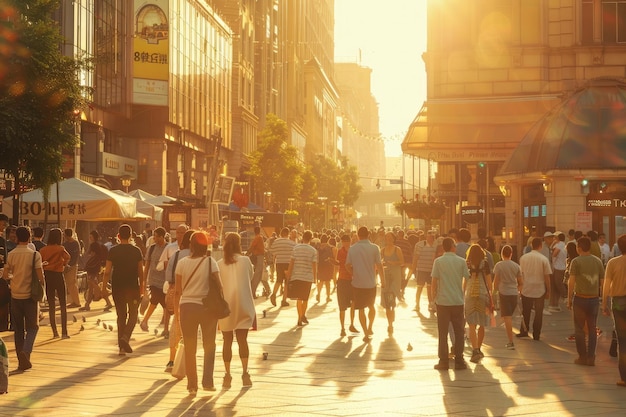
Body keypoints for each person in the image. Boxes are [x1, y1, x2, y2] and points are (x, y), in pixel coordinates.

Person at [175, 231, 220, 395]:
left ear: (191, 246)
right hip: (208, 309)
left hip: (187, 307)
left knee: (190, 347)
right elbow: (219, 287)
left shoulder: (182, 263)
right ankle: (207, 382)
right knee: (209, 345)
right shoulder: (211, 262)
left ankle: (192, 385)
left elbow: (178, 291)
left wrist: (176, 314)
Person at [217, 233, 256, 388]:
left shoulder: (219, 263)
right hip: (243, 304)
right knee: (242, 340)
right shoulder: (246, 260)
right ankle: (245, 373)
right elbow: (250, 277)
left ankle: (227, 375)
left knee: (227, 341)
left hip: (226, 307)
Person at [4, 226, 45, 370]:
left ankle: (21, 360)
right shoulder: (35, 255)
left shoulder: (11, 254)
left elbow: (5, 276)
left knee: (18, 329)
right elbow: (40, 277)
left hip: (15, 295)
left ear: (16, 238)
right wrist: (42, 293)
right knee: (33, 327)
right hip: (30, 297)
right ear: (29, 238)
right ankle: (25, 352)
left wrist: (13, 278)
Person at [102, 224, 144, 355]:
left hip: (117, 286)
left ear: (118, 236)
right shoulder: (136, 251)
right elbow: (141, 272)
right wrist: (142, 288)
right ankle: (125, 337)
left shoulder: (113, 251)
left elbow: (107, 271)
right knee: (133, 314)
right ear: (131, 236)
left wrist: (103, 287)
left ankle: (121, 348)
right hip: (132, 286)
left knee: (121, 315)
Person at [431, 237, 470, 370]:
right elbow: (467, 278)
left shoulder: (438, 261)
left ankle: (443, 361)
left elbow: (434, 280)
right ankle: (459, 360)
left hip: (442, 301)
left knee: (443, 332)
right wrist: (462, 291)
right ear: (453, 246)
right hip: (457, 301)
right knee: (459, 331)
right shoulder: (461, 261)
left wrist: (433, 297)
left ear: (443, 247)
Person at [568, 236, 604, 366]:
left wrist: (569, 299)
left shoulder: (576, 262)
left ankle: (582, 357)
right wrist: (603, 300)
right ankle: (591, 357)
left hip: (579, 299)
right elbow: (602, 282)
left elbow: (571, 281)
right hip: (594, 299)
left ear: (579, 248)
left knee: (579, 329)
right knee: (592, 328)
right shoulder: (598, 261)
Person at [345, 227, 385, 343]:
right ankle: (370, 327)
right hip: (371, 283)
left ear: (358, 235)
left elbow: (347, 265)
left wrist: (354, 273)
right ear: (368, 235)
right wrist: (383, 280)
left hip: (357, 283)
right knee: (371, 306)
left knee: (360, 308)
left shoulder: (352, 249)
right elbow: (380, 265)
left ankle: (365, 332)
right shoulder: (375, 248)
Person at [163, 229, 193, 372]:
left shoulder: (176, 257)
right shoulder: (200, 258)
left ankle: (172, 360)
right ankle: (188, 360)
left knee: (176, 326)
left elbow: (169, 278)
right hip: (194, 296)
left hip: (178, 295)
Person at [602, 234, 626, 386]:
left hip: (618, 304)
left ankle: (624, 378)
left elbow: (606, 285)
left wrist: (604, 303)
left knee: (622, 341)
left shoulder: (613, 263)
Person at [39, 228, 71, 339]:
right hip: (58, 275)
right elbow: (68, 257)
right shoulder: (61, 248)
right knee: (63, 304)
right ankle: (64, 332)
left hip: (47, 276)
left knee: (51, 305)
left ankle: (55, 332)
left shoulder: (43, 250)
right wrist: (62, 264)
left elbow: (40, 263)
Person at [518, 237, 552, 341]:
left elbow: (520, 274)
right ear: (540, 246)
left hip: (526, 287)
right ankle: (536, 334)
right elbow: (547, 276)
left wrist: (519, 287)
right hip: (539, 289)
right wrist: (549, 290)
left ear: (531, 245)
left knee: (526, 311)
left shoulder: (523, 258)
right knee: (538, 312)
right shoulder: (543, 259)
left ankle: (524, 330)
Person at [464, 244, 492, 363]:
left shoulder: (467, 264)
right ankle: (479, 349)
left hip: (470, 294)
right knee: (482, 323)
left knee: (471, 324)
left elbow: (465, 280)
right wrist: (491, 295)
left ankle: (475, 349)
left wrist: (463, 293)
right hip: (482, 294)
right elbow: (489, 282)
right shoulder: (485, 264)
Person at [139, 227, 170, 337]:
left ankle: (147, 321)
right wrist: (144, 279)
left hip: (165, 281)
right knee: (158, 300)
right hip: (153, 280)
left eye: (157, 236)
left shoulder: (168, 248)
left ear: (162, 236)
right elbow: (147, 264)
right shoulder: (151, 248)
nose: (154, 238)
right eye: (154, 236)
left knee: (163, 303)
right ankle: (147, 322)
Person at [492, 245, 523, 349]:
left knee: (507, 317)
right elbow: (521, 282)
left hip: (503, 292)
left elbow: (496, 281)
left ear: (501, 254)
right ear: (511, 254)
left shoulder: (499, 265)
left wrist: (494, 292)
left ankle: (510, 341)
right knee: (508, 315)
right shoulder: (516, 266)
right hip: (514, 293)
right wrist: (518, 290)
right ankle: (506, 326)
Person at [286, 230, 317, 327]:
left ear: (302, 237)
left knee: (299, 298)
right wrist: (315, 278)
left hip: (296, 276)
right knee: (305, 298)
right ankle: (303, 314)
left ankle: (299, 317)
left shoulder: (296, 248)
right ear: (311, 238)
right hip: (307, 277)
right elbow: (314, 265)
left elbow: (291, 263)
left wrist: (289, 275)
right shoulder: (313, 250)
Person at [80, 230, 113, 312]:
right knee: (91, 286)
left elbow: (87, 254)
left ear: (94, 237)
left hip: (91, 267)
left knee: (93, 284)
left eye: (91, 237)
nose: (90, 238)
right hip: (97, 267)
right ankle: (87, 305)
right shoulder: (100, 245)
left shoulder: (93, 245)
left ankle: (106, 298)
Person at [380, 231, 404, 336]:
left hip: (395, 277)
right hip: (386, 277)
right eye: (386, 237)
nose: (388, 239)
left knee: (391, 300)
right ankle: (389, 323)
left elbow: (402, 262)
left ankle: (391, 321)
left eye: (390, 237)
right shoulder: (382, 250)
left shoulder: (397, 249)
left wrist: (394, 263)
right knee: (387, 302)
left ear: (393, 239)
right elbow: (379, 263)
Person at [336, 234, 358, 336]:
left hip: (351, 280)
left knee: (353, 302)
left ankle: (352, 324)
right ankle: (342, 327)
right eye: (344, 241)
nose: (345, 243)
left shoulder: (353, 251)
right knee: (342, 305)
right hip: (342, 279)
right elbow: (339, 263)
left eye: (347, 241)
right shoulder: (340, 251)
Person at [411, 230, 439, 314]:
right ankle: (417, 304)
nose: (431, 238)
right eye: (429, 236)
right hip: (421, 269)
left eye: (433, 236)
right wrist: (413, 269)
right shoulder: (419, 245)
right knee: (419, 287)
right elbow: (416, 257)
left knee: (431, 288)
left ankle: (431, 304)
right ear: (426, 236)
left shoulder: (437, 245)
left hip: (432, 270)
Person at [269, 227, 295, 307]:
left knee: (279, 280)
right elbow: (295, 253)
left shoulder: (276, 242)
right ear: (288, 234)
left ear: (281, 233)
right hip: (288, 263)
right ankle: (284, 300)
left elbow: (272, 251)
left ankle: (273, 294)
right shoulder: (292, 243)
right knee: (287, 282)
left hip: (279, 263)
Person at [62, 228, 82, 308]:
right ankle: (73, 300)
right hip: (67, 266)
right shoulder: (65, 244)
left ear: (66, 235)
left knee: (72, 284)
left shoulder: (75, 243)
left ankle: (76, 302)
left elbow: (76, 255)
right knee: (70, 284)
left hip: (72, 266)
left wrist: (70, 265)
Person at [316, 234, 336, 304]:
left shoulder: (318, 248)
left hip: (320, 266)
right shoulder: (331, 248)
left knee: (321, 281)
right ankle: (328, 296)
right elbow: (334, 258)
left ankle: (318, 294)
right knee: (328, 282)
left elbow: (316, 258)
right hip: (328, 266)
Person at [549, 232, 567, 312]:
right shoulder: (564, 244)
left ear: (558, 238)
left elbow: (554, 254)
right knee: (557, 285)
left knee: (557, 283)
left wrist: (553, 244)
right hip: (562, 266)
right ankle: (555, 304)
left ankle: (565, 295)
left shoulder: (559, 245)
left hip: (557, 267)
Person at [248, 226, 266, 298]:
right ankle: (252, 292)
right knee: (257, 275)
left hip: (258, 256)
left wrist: (248, 253)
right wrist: (247, 253)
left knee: (258, 275)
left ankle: (253, 292)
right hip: (259, 257)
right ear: (260, 230)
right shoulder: (259, 238)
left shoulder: (257, 238)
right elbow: (252, 246)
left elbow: (252, 247)